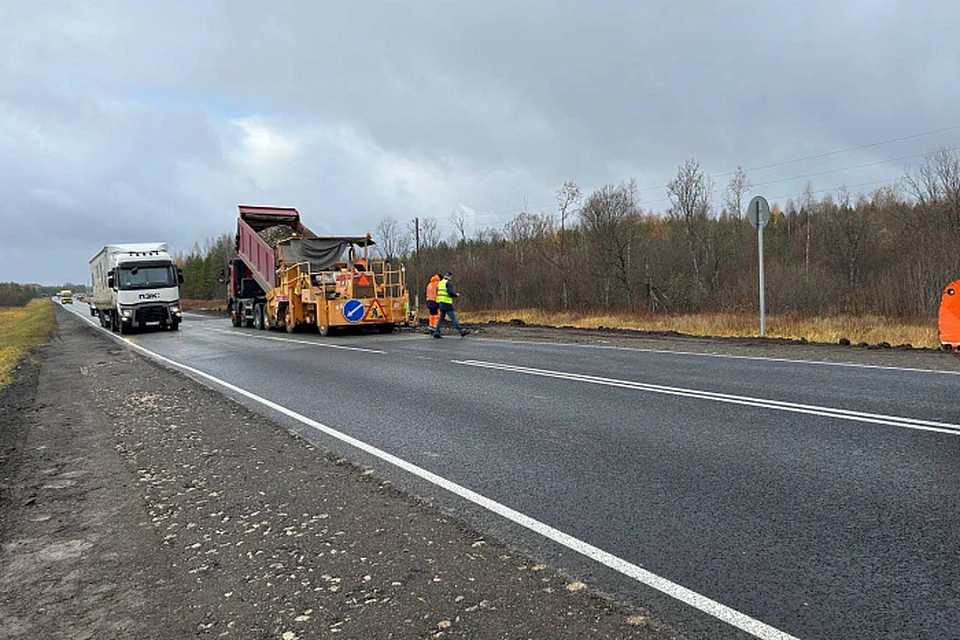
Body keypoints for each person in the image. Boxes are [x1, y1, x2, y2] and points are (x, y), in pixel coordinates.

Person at [433, 271, 470, 338]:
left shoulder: (440, 283)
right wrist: (456, 295)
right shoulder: (448, 283)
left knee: (441, 319)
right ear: (449, 276)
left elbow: (438, 293)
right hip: (447, 303)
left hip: (441, 303)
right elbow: (450, 293)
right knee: (453, 318)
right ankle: (461, 331)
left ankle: (436, 332)